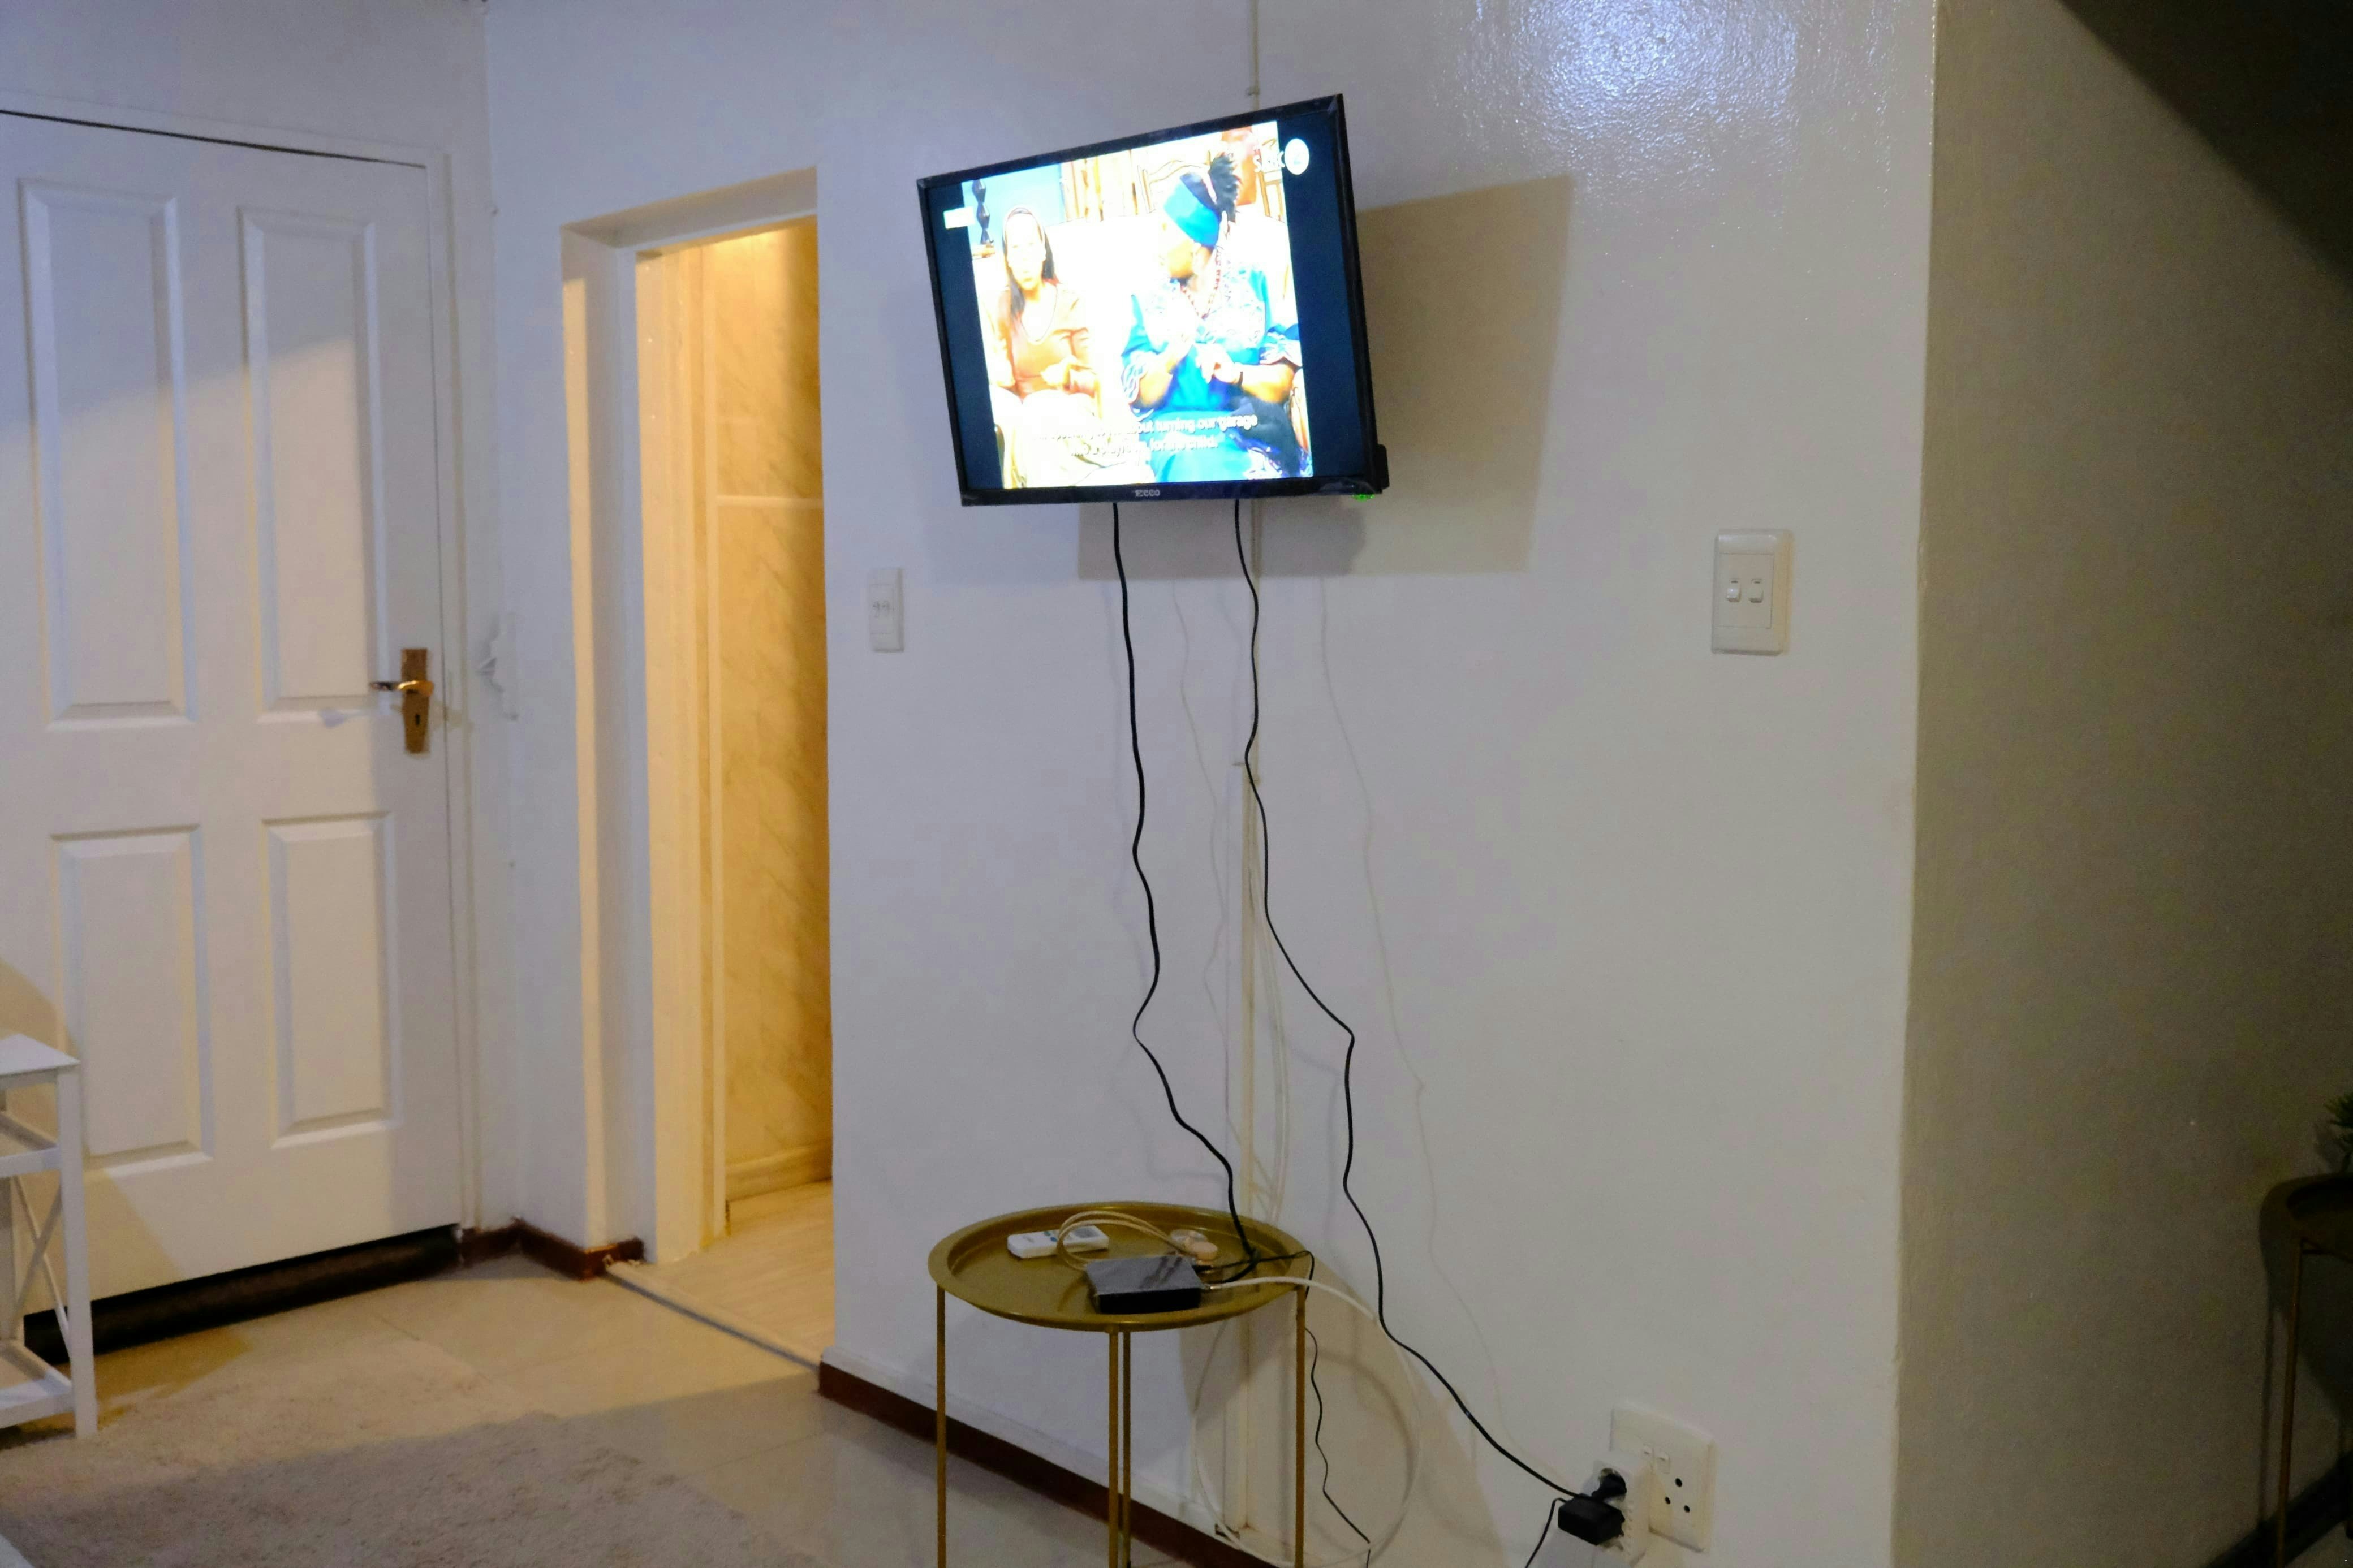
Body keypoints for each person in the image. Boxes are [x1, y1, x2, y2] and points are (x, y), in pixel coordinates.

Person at [1121, 153, 1306, 482]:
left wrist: (1237, 374)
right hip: (1176, 436)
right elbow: (1141, 395)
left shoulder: (1255, 285)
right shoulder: (1148, 299)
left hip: (1247, 430)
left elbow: (1281, 383)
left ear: (1194, 247)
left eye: (1165, 231)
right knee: (1192, 469)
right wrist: (1168, 360)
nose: (1157, 246)